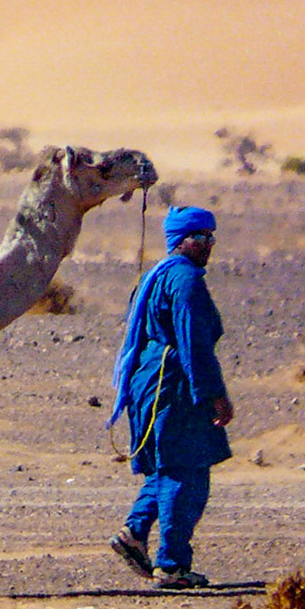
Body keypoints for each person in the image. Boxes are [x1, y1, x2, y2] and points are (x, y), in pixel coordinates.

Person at [107, 205, 233, 589]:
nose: (209, 245)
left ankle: (134, 532)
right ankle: (172, 565)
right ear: (182, 240)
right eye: (202, 237)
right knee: (188, 473)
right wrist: (214, 395)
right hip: (173, 388)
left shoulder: (158, 275)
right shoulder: (185, 282)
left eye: (212, 237)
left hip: (151, 386)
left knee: (167, 467)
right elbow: (194, 344)